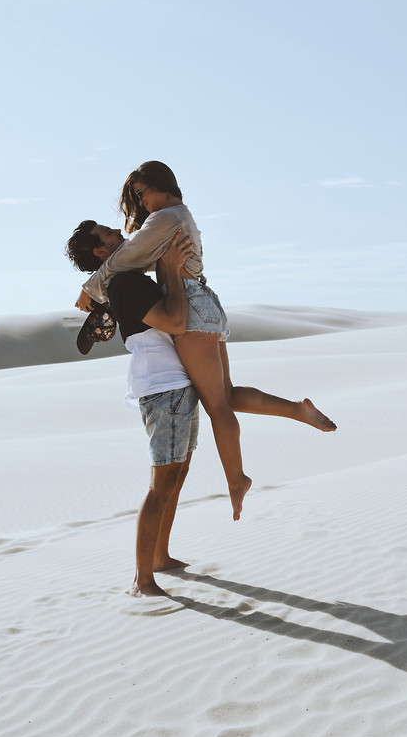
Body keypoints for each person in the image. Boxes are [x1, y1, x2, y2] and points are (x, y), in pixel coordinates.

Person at [75, 162, 336, 522]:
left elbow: (126, 258)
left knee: (217, 405)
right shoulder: (176, 216)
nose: (139, 201)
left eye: (140, 192)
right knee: (225, 394)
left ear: (160, 184)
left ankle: (236, 479)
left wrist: (89, 288)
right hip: (204, 303)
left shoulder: (165, 218)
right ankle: (295, 409)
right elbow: (133, 260)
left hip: (190, 308)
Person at [67, 222, 199, 597]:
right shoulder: (124, 284)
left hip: (175, 383)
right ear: (98, 251)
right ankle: (143, 580)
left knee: (177, 474)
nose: (118, 232)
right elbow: (174, 320)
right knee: (162, 485)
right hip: (163, 386)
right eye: (108, 233)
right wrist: (171, 270)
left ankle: (161, 556)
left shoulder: (128, 278)